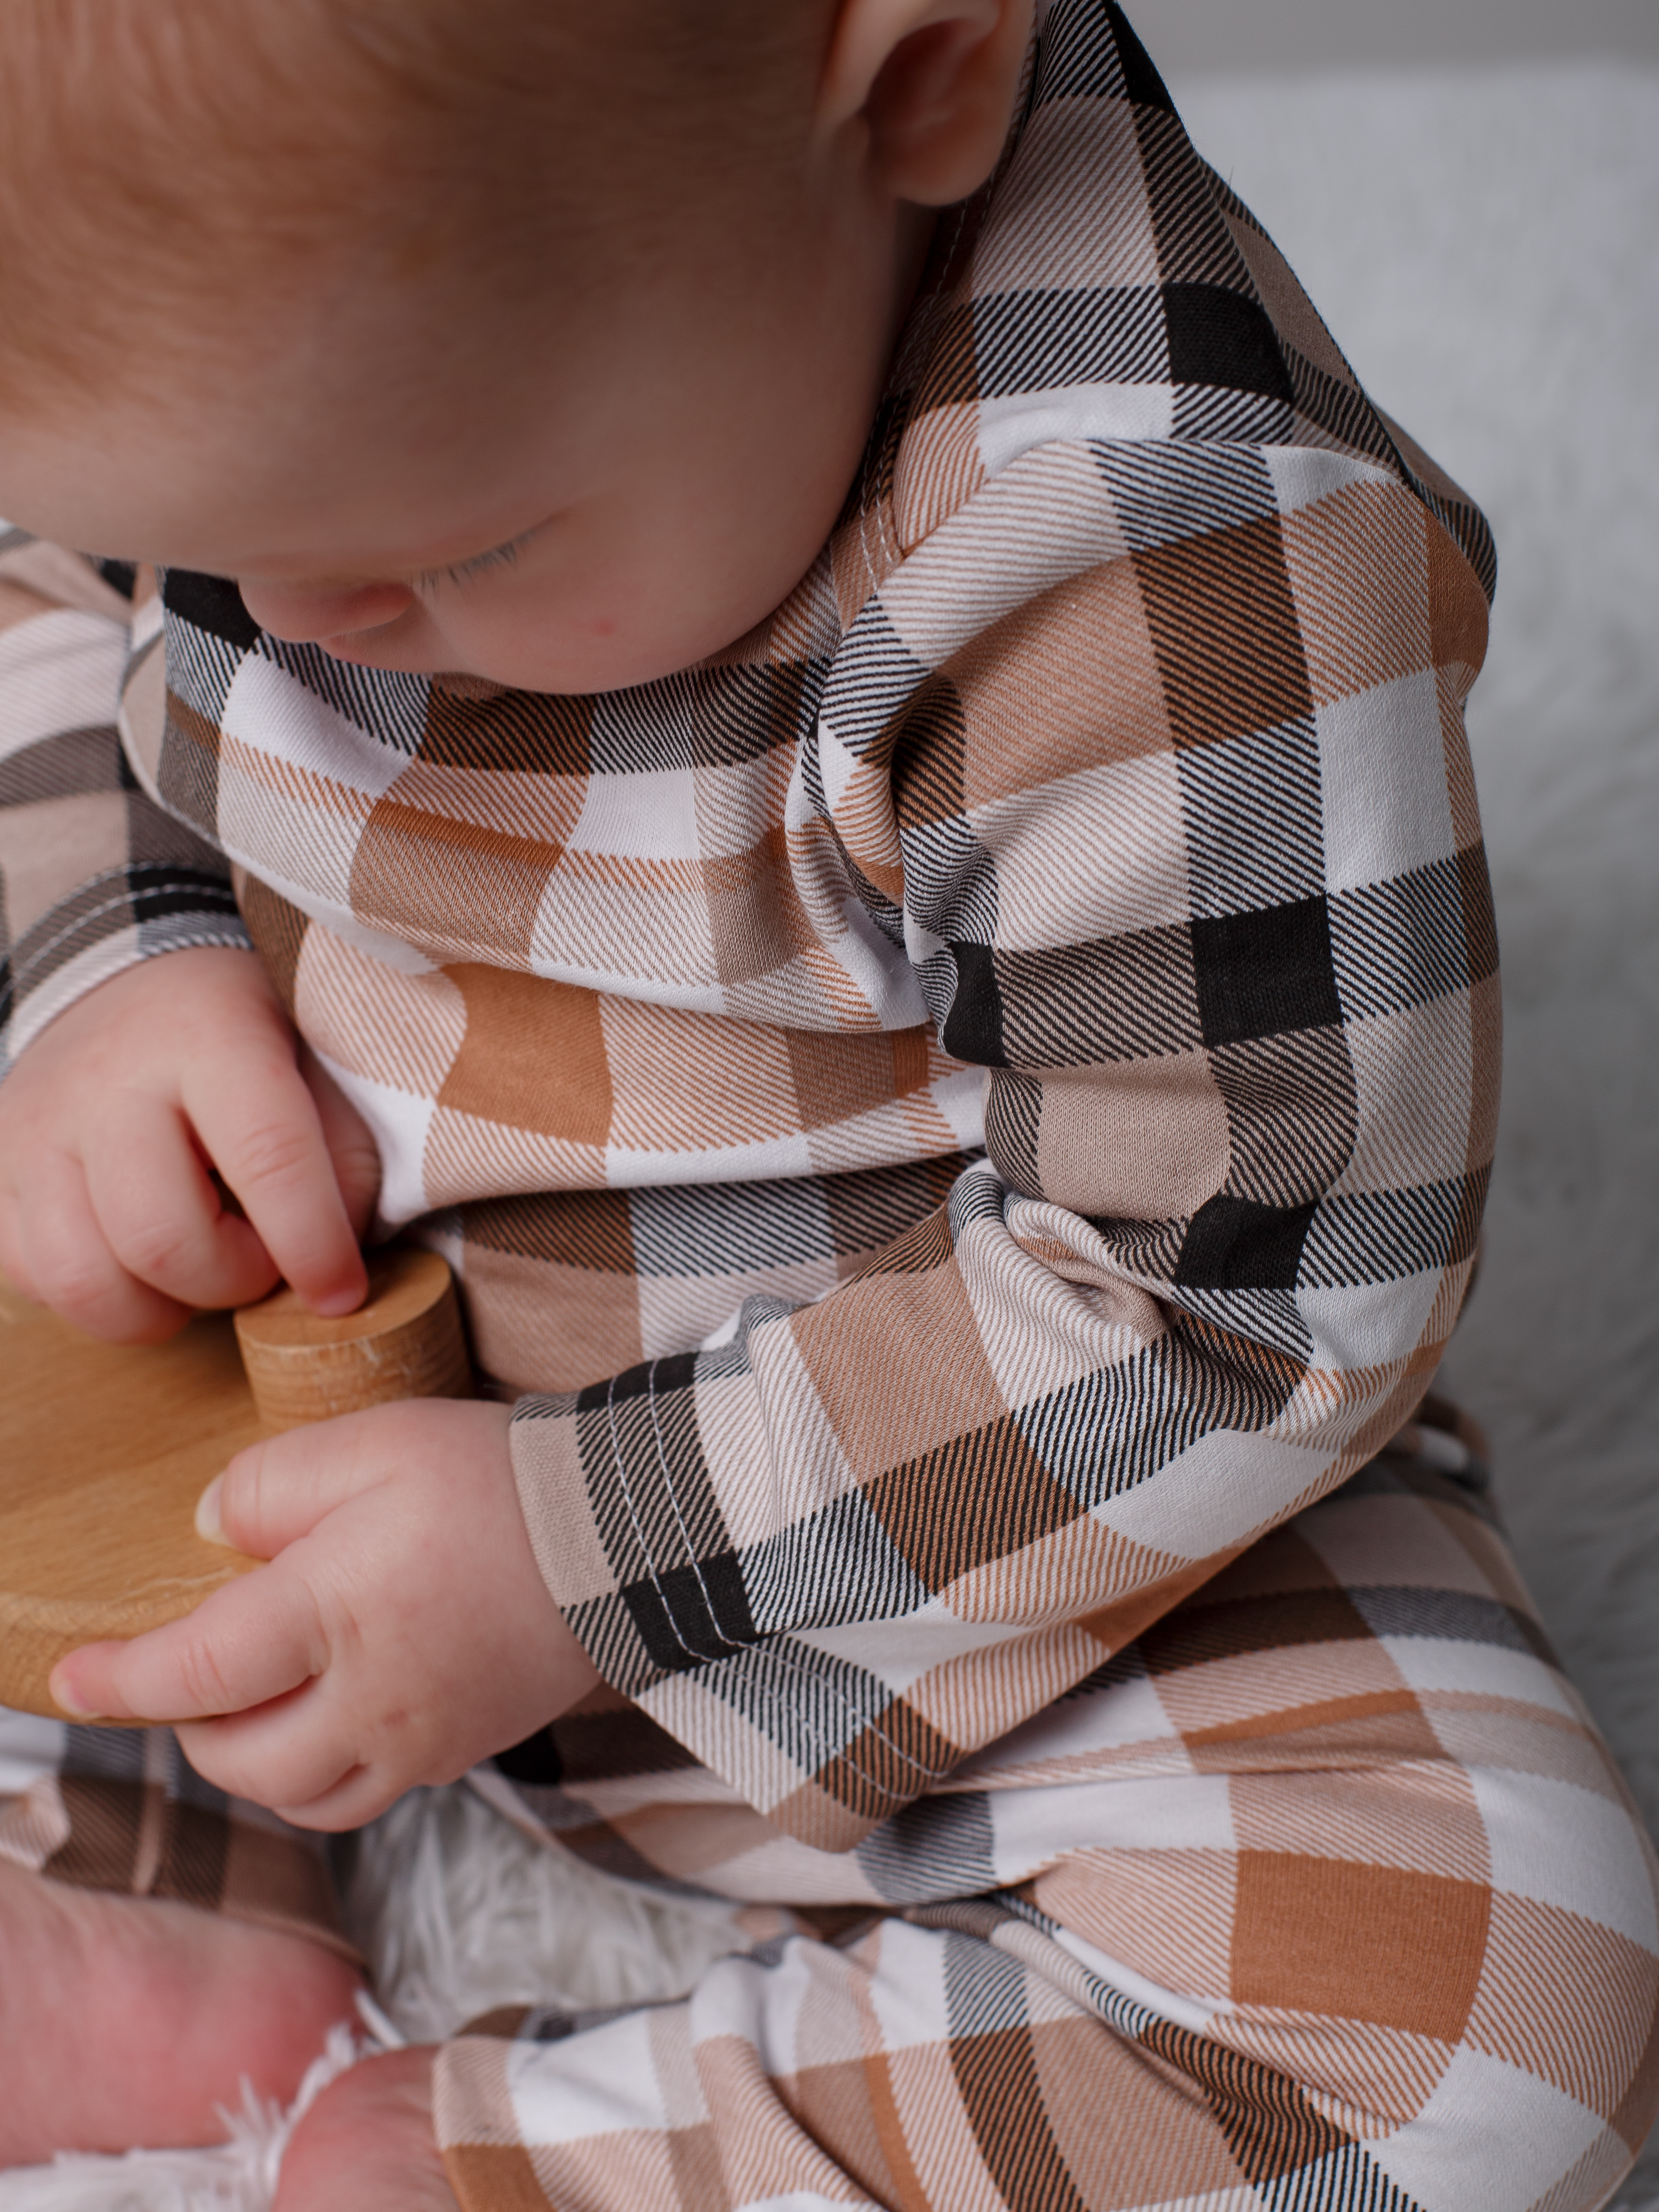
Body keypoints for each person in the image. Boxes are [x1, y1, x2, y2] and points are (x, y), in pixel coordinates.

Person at [0, 1, 1653, 2206]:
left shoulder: (1145, 547)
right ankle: (149, 1858)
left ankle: (577, 2150)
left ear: (913, 82)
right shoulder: (271, 355)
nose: (288, 628)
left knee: (1497, 2039)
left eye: (458, 547)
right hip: (292, 1366)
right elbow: (48, 592)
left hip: (938, 1528)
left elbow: (1241, 1312)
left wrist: (573, 1553)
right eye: (196, 550)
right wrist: (119, 956)